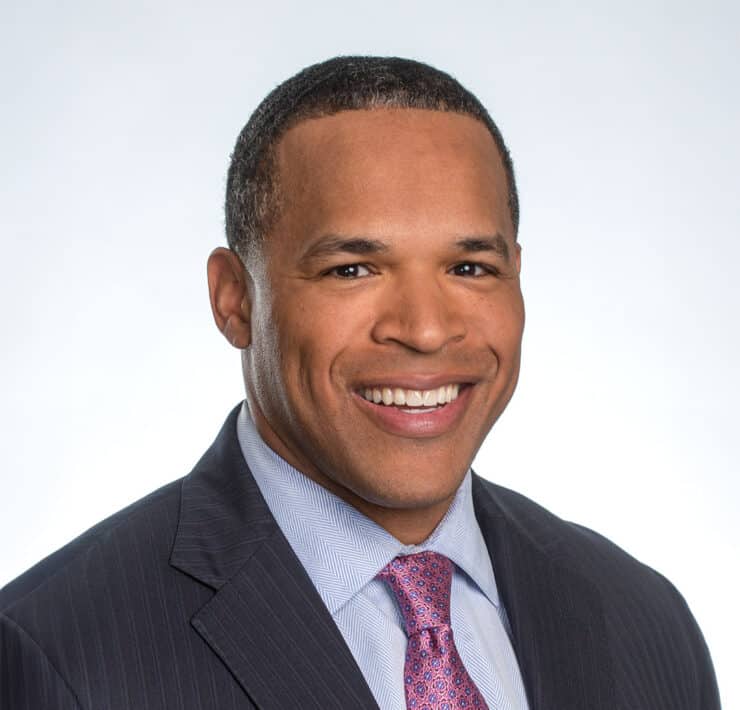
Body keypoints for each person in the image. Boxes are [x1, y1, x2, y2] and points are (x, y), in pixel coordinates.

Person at [0, 56, 720, 710]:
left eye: (470, 268)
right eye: (353, 269)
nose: (426, 329)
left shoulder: (644, 621)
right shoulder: (55, 654)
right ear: (235, 300)